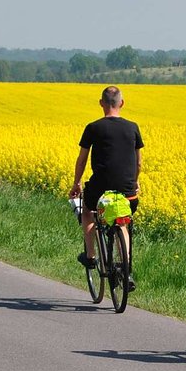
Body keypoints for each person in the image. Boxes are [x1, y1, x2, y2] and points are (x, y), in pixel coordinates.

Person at [69, 86, 144, 287]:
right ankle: (126, 271)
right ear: (122, 103)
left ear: (101, 103)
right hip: (128, 192)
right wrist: (135, 182)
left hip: (100, 190)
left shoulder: (93, 127)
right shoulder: (133, 127)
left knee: (88, 211)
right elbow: (138, 163)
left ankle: (91, 256)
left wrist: (76, 184)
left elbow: (82, 160)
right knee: (122, 224)